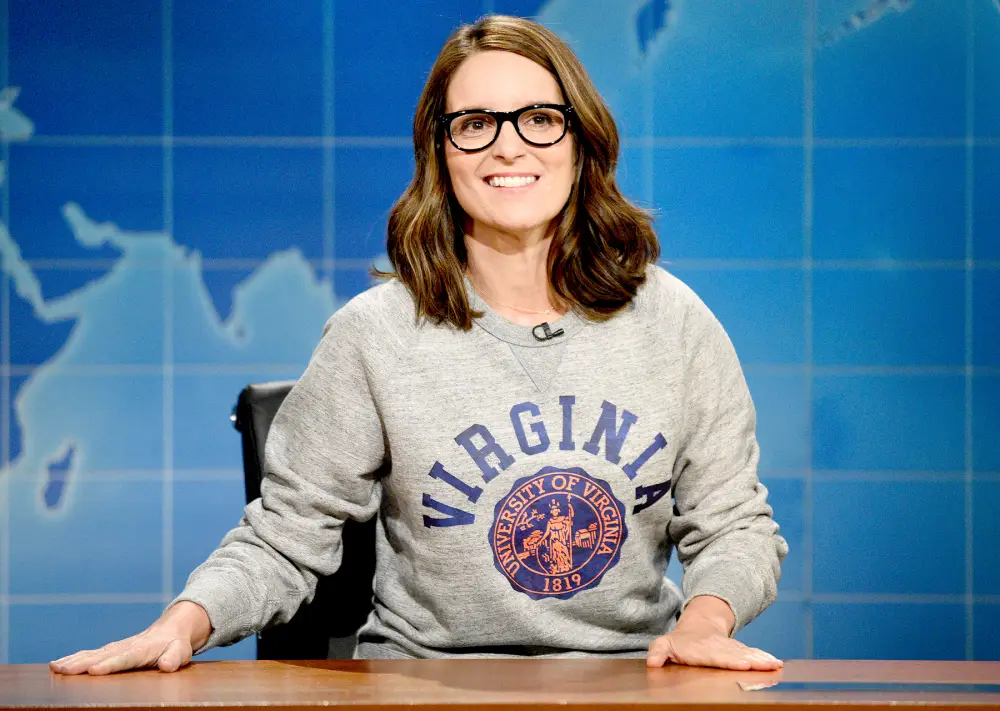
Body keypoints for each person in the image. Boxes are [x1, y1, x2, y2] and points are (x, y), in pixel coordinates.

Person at [50, 14, 788, 676]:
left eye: (539, 118)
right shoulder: (373, 334)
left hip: (629, 681)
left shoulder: (675, 323)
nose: (509, 145)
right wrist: (181, 625)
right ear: (441, 150)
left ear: (581, 141)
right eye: (476, 123)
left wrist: (703, 623)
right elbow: (285, 538)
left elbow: (735, 525)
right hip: (420, 687)